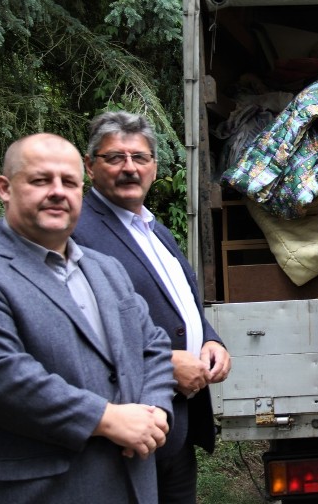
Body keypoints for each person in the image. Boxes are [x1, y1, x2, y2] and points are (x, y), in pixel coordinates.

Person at [0, 133, 176, 503]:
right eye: (41, 180)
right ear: (5, 188)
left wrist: (155, 411)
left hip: (134, 484)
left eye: (69, 182)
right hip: (47, 490)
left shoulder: (107, 270)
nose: (58, 192)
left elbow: (154, 346)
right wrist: (107, 419)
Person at [72, 112, 231, 504]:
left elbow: (178, 301)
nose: (130, 167)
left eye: (139, 158)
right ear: (90, 166)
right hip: (127, 432)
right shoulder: (76, 232)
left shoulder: (151, 227)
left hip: (176, 429)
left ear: (155, 168)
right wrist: (164, 364)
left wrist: (210, 339)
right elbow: (75, 332)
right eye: (115, 158)